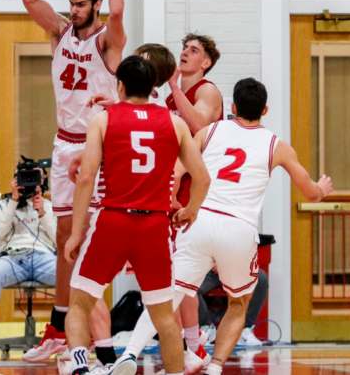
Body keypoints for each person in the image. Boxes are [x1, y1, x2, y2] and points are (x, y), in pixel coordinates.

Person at [107, 78, 333, 375]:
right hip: (238, 229)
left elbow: (176, 170)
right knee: (239, 303)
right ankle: (214, 367)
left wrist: (176, 200)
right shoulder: (277, 146)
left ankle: (131, 353)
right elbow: (310, 192)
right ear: (265, 109)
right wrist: (322, 188)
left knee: (166, 299)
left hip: (200, 220)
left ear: (234, 107)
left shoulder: (210, 131)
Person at [64, 55, 211, 375]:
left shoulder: (103, 119)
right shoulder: (175, 123)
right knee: (163, 318)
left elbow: (86, 178)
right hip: (154, 226)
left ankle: (79, 368)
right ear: (153, 86)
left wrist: (76, 232)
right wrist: (190, 210)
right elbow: (202, 178)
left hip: (113, 221)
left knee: (80, 302)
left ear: (120, 85)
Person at [20, 0, 126, 364]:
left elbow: (119, 11)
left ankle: (94, 336)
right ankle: (59, 328)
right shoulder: (60, 32)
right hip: (64, 144)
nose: (74, 10)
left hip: (98, 148)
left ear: (95, 5)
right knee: (65, 237)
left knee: (89, 241)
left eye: (82, 4)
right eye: (72, 4)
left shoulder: (107, 40)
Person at [166, 34, 223, 365]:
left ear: (206, 62)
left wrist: (173, 89)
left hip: (195, 193)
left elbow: (199, 126)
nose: (185, 54)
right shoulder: (172, 95)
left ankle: (194, 344)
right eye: (184, 49)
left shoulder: (207, 90)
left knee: (181, 273)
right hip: (175, 187)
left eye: (194, 51)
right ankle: (192, 346)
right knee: (175, 273)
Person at [0, 181, 57, 355]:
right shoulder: (4, 204)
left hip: (43, 257)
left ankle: (62, 334)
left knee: (70, 278)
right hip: (13, 258)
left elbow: (58, 239)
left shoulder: (49, 206)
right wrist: (13, 201)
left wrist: (42, 212)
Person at [197, 268, 267, 346]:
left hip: (235, 267)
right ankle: (205, 329)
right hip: (207, 268)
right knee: (189, 286)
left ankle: (244, 330)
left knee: (260, 278)